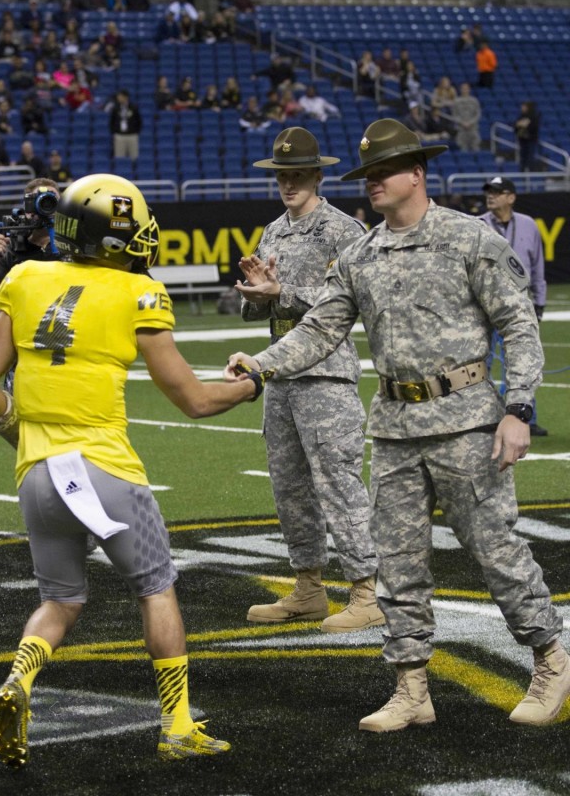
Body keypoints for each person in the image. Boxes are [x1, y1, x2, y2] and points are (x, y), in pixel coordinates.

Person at [226, 118, 570, 733]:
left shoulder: (469, 239)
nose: (374, 184)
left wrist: (519, 409)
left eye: (383, 172)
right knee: (400, 565)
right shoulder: (361, 254)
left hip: (466, 423)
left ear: (417, 173)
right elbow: (321, 328)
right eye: (368, 175)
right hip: (393, 427)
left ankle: (549, 658)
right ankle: (411, 688)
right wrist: (260, 367)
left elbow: (519, 326)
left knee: (496, 553)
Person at [0, 173, 260, 768]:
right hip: (105, 470)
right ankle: (177, 725)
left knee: (61, 600)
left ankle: (19, 680)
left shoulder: (23, 278)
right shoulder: (139, 293)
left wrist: (20, 434)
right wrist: (256, 383)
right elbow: (195, 401)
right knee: (156, 589)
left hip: (38, 475)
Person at [236, 127, 383, 631]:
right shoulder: (273, 231)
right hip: (281, 376)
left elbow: (355, 301)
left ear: (318, 175)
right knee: (290, 485)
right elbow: (260, 306)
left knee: (339, 483)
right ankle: (308, 588)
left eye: (297, 174)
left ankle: (366, 592)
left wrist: (283, 291)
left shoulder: (344, 231)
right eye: (281, 175)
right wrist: (257, 294)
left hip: (325, 374)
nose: (288, 183)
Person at [481, 175, 548, 437]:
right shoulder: (477, 225)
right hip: (486, 306)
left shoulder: (529, 225)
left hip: (520, 305)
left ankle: (527, 418)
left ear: (511, 197)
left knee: (522, 361)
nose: (491, 196)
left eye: (498, 192)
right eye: (489, 192)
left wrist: (539, 304)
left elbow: (538, 266)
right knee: (481, 364)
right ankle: (483, 417)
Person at [0, 177, 61, 319]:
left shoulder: (73, 248)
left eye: (51, 200)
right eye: (38, 200)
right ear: (27, 208)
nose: (46, 206)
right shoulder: (11, 249)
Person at [109, 89, 142, 163]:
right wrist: (115, 132)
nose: (118, 98)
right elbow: (112, 121)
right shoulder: (116, 108)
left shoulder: (133, 108)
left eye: (120, 96)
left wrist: (135, 131)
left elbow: (139, 121)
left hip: (132, 136)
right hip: (120, 136)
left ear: (125, 97)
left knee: (134, 158)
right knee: (119, 159)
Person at [450, 82, 481, 152]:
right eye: (463, 88)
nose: (465, 90)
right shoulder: (456, 101)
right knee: (462, 148)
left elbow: (477, 114)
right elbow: (454, 115)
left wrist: (470, 122)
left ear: (469, 89)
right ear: (460, 89)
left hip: (473, 128)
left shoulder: (474, 101)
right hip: (461, 129)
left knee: (476, 147)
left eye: (466, 88)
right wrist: (462, 122)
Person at [514, 101, 540, 172]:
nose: (522, 108)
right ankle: (522, 172)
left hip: (531, 140)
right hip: (522, 140)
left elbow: (533, 127)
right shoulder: (521, 116)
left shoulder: (534, 116)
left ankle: (531, 172)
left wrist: (525, 125)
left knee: (530, 157)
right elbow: (516, 126)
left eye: (524, 106)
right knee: (523, 158)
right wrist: (520, 124)